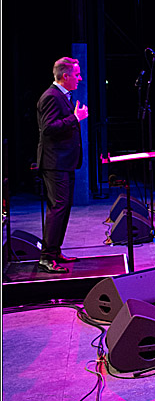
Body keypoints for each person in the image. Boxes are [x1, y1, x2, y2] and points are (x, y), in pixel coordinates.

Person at [35, 57, 88, 273]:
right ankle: (46, 257)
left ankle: (54, 252)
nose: (79, 78)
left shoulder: (62, 96)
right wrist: (75, 118)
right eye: (76, 74)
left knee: (63, 207)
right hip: (54, 162)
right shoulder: (51, 97)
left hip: (64, 162)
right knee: (58, 208)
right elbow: (48, 128)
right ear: (65, 76)